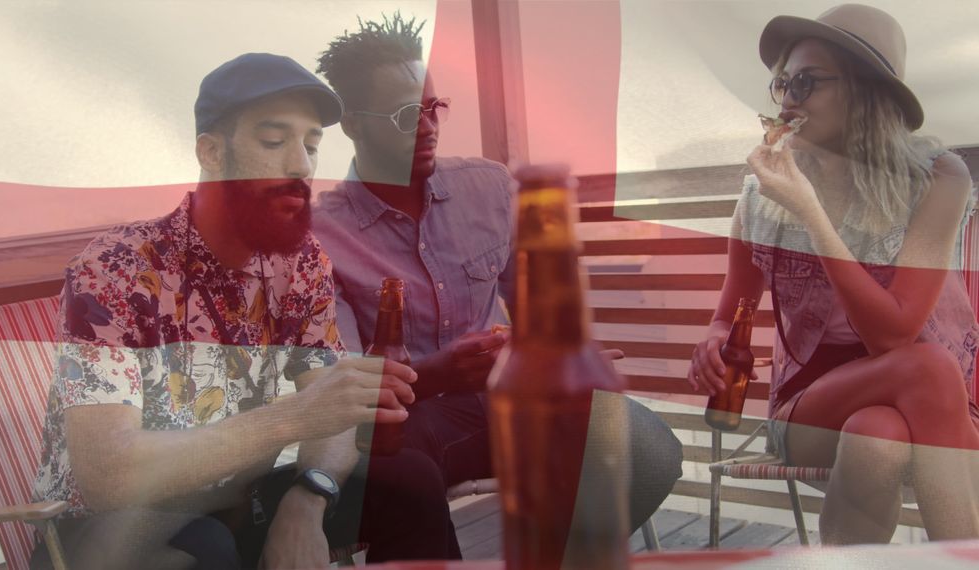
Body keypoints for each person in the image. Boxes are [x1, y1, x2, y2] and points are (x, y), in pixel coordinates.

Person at [30, 53, 456, 569]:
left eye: (312, 145)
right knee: (204, 546)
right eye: (274, 142)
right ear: (210, 152)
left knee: (410, 481)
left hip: (237, 496)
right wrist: (292, 419)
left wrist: (308, 498)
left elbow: (331, 414)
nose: (300, 164)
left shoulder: (298, 264)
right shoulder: (117, 268)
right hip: (113, 529)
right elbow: (108, 473)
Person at [312, 13, 684, 548]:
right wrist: (436, 373)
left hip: (512, 398)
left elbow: (537, 311)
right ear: (351, 122)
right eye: (402, 115)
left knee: (645, 447)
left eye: (433, 107)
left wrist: (562, 353)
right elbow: (349, 383)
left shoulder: (487, 187)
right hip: (415, 420)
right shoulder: (322, 235)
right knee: (395, 476)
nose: (427, 125)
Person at [688, 4, 979, 544]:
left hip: (922, 413)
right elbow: (731, 312)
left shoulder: (938, 176)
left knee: (877, 436)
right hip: (806, 412)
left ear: (866, 91)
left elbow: (891, 331)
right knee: (929, 368)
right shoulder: (764, 192)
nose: (789, 97)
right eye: (782, 83)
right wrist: (712, 342)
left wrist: (812, 217)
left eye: (807, 81)